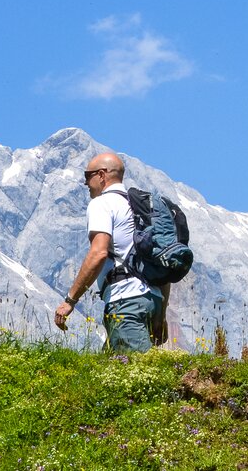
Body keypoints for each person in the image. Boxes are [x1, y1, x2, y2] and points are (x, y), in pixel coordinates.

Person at [53, 151, 166, 352]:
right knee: (111, 373)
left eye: (87, 176)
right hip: (152, 300)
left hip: (125, 301)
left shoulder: (102, 204)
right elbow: (163, 262)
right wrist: (161, 313)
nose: (86, 183)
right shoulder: (142, 208)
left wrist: (70, 301)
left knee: (134, 374)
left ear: (102, 175)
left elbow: (98, 253)